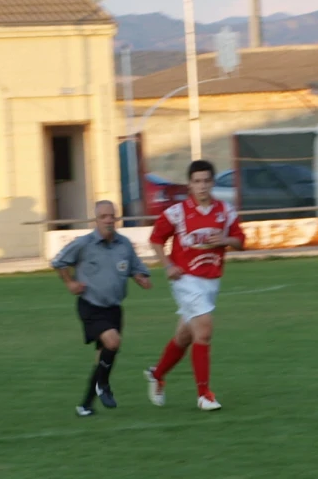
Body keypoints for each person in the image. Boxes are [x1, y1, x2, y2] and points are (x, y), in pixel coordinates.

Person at [145, 158, 244, 411]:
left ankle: (157, 375)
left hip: (211, 281)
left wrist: (225, 239)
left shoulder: (225, 210)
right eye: (196, 181)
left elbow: (241, 241)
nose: (201, 186)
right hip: (185, 279)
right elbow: (156, 238)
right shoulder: (178, 212)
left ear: (212, 183)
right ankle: (204, 395)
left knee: (184, 336)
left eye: (206, 181)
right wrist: (167, 265)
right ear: (189, 184)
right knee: (205, 330)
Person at [51, 199, 151, 416]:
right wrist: (70, 283)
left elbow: (135, 267)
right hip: (91, 305)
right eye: (103, 217)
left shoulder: (124, 244)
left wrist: (141, 278)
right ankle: (103, 386)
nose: (108, 221)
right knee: (113, 341)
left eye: (111, 216)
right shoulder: (84, 243)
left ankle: (85, 405)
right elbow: (59, 262)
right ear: (95, 220)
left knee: (102, 358)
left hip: (114, 308)